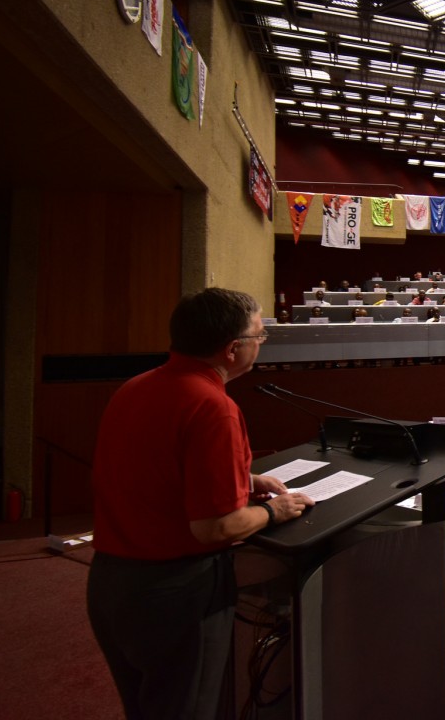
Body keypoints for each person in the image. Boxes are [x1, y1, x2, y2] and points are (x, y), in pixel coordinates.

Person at [88, 288, 314, 720]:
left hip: (110, 584)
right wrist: (274, 510)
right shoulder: (214, 407)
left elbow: (156, 469)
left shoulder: (134, 388)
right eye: (260, 335)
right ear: (233, 350)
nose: (261, 342)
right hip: (175, 593)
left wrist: (243, 481)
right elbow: (216, 527)